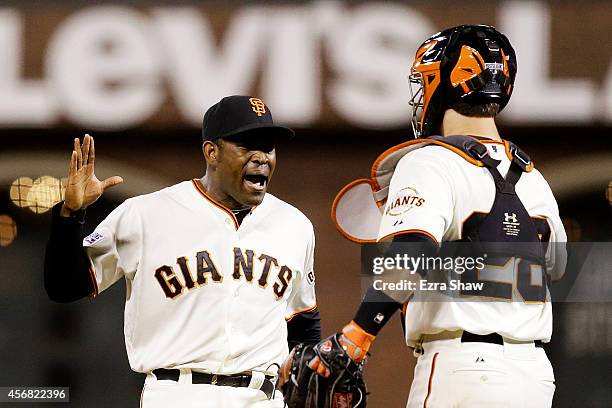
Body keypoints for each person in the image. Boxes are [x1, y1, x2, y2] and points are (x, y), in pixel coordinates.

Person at [297, 25, 567, 407]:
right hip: (534, 376)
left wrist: (356, 336)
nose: (422, 93)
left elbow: (411, 257)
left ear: (447, 82)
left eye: (426, 81)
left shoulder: (429, 161)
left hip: (463, 368)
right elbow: (553, 269)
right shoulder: (533, 177)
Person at [44, 95, 321, 407]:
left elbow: (302, 322)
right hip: (178, 392)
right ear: (212, 152)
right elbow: (64, 285)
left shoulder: (295, 225)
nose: (261, 158)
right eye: (246, 145)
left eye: (268, 147)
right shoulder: (145, 214)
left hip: (263, 397)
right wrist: (70, 214)